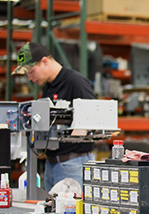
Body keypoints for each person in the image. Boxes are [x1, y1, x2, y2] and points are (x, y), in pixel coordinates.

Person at [12, 42, 97, 192]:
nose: (30, 78)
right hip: (52, 165)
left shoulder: (75, 82)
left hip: (72, 164)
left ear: (45, 61)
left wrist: (79, 130)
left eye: (31, 71)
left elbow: (93, 115)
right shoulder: (49, 87)